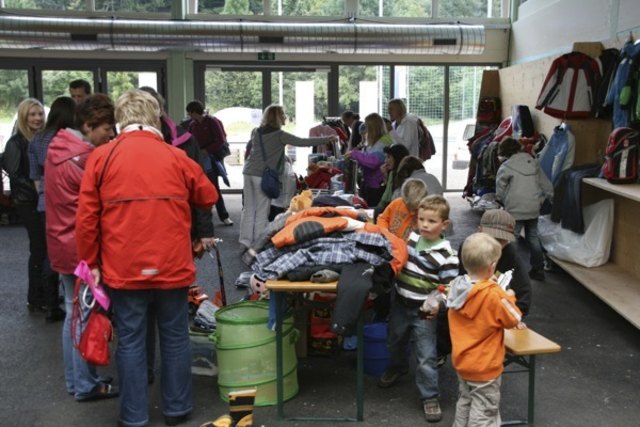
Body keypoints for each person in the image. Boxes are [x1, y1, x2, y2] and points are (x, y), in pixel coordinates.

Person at [76, 89, 218, 427]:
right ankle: (177, 408)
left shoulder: (102, 157)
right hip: (172, 265)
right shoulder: (175, 156)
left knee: (130, 340)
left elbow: (86, 219)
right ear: (155, 117)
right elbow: (208, 195)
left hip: (123, 267)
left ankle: (134, 415)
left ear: (119, 119)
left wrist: (91, 264)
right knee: (175, 336)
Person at [139, 86, 217, 385]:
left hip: (173, 233)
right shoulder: (125, 146)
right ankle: (166, 389)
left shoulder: (184, 141)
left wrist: (204, 232)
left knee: (164, 317)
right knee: (152, 318)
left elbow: (201, 190)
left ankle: (165, 388)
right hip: (147, 237)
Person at [45, 93, 118, 401]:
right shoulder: (85, 158)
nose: (111, 135)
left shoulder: (58, 146)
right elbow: (98, 209)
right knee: (84, 316)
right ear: (88, 126)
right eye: (106, 129)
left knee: (73, 315)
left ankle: (78, 380)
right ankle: (86, 386)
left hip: (61, 243)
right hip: (80, 250)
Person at [378, 195, 459, 423]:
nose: (425, 225)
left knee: (426, 355)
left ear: (444, 224)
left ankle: (429, 396)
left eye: (431, 221)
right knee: (394, 341)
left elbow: (448, 289)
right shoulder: (411, 239)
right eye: (422, 219)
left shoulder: (448, 256)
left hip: (424, 312)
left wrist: (438, 304)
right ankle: (398, 367)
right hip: (400, 303)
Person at [447, 232, 525, 427]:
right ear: (492, 267)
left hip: (462, 360)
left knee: (465, 400)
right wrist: (509, 296)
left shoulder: (456, 286)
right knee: (484, 411)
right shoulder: (494, 294)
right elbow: (514, 318)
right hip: (484, 365)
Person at [239, 104, 336, 249]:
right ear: (277, 117)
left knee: (248, 208)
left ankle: (245, 241)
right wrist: (327, 139)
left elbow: (265, 151)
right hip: (262, 175)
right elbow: (302, 142)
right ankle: (258, 244)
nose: (285, 117)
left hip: (248, 171)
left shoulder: (257, 132)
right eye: (283, 115)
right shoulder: (280, 135)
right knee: (261, 210)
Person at [3, 98, 65, 321]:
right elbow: (16, 175)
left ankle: (44, 294)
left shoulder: (39, 139)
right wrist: (38, 189)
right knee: (39, 248)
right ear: (23, 117)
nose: (37, 118)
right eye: (32, 114)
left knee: (44, 248)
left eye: (40, 114)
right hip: (28, 202)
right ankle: (36, 297)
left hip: (38, 199)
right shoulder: (16, 143)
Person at [496, 137, 553, 281]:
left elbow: (500, 189)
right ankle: (538, 269)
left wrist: (501, 201)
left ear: (505, 151)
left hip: (515, 208)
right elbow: (545, 184)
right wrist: (552, 198)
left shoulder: (506, 166)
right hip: (533, 206)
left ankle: (511, 270)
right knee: (533, 237)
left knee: (512, 238)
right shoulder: (533, 162)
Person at [459, 209, 532, 317]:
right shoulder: (468, 248)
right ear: (479, 230)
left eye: (501, 240)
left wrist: (514, 317)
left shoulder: (511, 254)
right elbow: (460, 278)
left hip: (498, 314)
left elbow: (524, 294)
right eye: (491, 238)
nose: (495, 246)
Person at [185, 99, 233, 226]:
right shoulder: (192, 125)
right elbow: (189, 140)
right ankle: (203, 217)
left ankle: (224, 215)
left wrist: (206, 151)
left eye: (190, 113)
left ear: (195, 112)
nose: (189, 116)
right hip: (198, 159)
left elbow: (220, 140)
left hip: (212, 159)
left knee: (213, 186)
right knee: (198, 187)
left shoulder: (212, 121)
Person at [28, 96, 77, 213]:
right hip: (72, 201)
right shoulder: (74, 138)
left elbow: (36, 176)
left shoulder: (37, 139)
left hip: (46, 201)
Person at [345, 113, 394, 207]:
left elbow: (373, 162)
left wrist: (355, 154)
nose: (365, 129)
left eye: (367, 127)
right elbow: (366, 157)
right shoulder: (374, 142)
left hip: (376, 187)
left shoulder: (384, 142)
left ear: (372, 128)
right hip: (369, 184)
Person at [376, 143, 410, 215]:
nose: (385, 161)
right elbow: (385, 198)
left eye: (388, 157)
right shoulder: (392, 173)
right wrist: (385, 177)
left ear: (397, 158)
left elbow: (389, 200)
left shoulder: (405, 177)